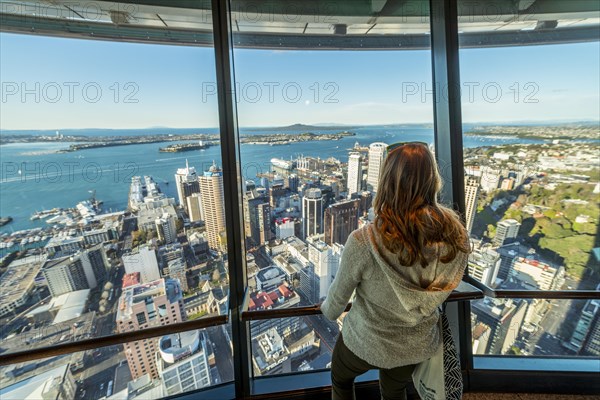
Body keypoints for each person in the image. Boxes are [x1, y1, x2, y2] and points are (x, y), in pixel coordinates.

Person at [320, 142, 471, 400]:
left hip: (364, 341)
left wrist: (325, 310)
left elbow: (336, 304)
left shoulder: (363, 241)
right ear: (432, 179)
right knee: (394, 391)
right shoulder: (456, 239)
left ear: (386, 181)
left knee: (341, 379)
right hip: (414, 346)